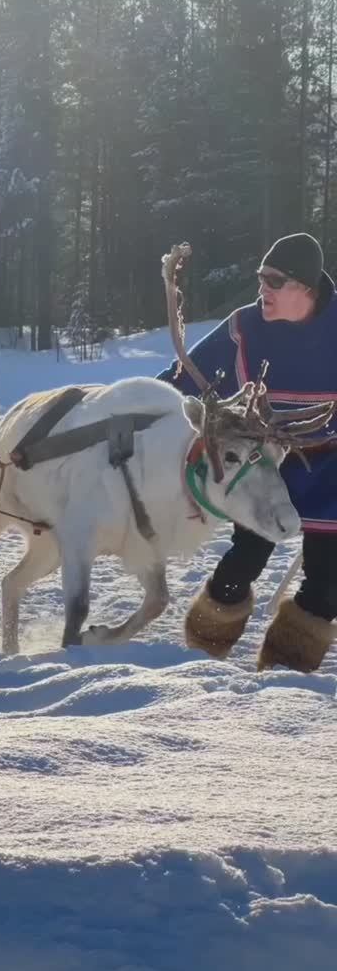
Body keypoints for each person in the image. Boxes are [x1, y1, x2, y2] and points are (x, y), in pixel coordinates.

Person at [158, 232, 337, 672]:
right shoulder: (245, 328)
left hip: (331, 473)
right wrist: (138, 406)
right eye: (260, 277)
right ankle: (204, 649)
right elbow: (182, 378)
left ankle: (286, 672)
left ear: (306, 288)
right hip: (265, 469)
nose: (263, 289)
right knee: (244, 561)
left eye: (274, 280)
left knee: (328, 583)